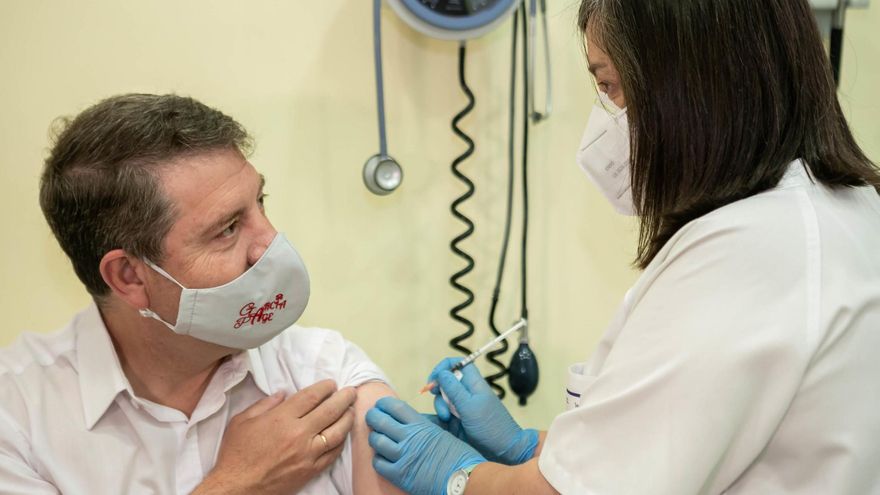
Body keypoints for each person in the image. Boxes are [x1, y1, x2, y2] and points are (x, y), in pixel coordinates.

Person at [365, 0, 880, 493]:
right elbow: (648, 457)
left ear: (688, 84)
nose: (607, 118)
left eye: (610, 85)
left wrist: (457, 477)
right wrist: (525, 450)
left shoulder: (752, 251)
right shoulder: (844, 209)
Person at [0, 94, 405, 495]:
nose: (269, 243)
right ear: (130, 277)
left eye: (260, 203)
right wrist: (237, 485)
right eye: (227, 229)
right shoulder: (17, 416)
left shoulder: (325, 373)